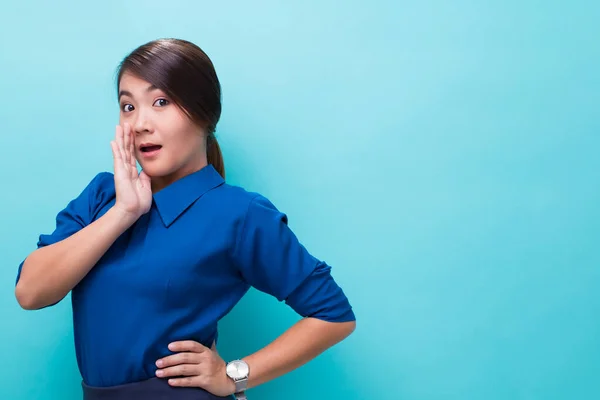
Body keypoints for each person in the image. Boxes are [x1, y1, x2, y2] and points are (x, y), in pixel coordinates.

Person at [14, 38, 356, 400]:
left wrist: (234, 375)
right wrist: (123, 213)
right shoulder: (103, 195)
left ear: (204, 112)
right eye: (128, 106)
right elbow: (31, 292)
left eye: (160, 102)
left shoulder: (240, 215)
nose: (141, 123)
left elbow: (334, 315)